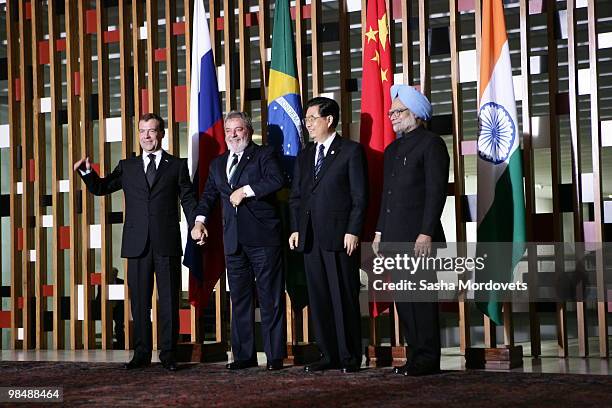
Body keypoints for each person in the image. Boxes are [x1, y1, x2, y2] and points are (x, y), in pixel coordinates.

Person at [74, 112, 197, 371]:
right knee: (139, 303)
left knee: (169, 301)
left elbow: (187, 199)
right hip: (136, 244)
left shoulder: (176, 166)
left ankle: (168, 355)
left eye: (152, 131)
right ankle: (141, 353)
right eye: (142, 131)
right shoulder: (127, 166)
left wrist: (198, 223)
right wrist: (86, 171)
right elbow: (101, 187)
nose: (147, 136)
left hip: (166, 243)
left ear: (161, 134)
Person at [191, 111, 287, 371]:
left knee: (270, 299)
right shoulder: (217, 163)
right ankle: (244, 356)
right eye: (229, 130)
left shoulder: (264, 154)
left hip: (263, 239)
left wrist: (245, 191)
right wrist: (199, 221)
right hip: (232, 242)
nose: (233, 135)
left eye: (238, 129)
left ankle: (274, 356)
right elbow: (209, 196)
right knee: (240, 299)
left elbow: (277, 180)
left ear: (249, 130)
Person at [373, 84, 449, 376]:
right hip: (393, 235)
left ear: (416, 113)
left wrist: (426, 231)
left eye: (397, 111)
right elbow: (387, 195)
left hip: (419, 236)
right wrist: (380, 231)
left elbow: (436, 192)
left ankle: (428, 359)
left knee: (421, 301)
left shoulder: (431, 144)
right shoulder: (393, 150)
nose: (391, 116)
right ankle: (415, 355)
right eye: (391, 111)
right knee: (405, 302)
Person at [288, 97, 368, 373]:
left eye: (312, 118)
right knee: (319, 298)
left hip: (339, 237)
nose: (307, 124)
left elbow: (360, 197)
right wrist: (296, 227)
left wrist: (353, 230)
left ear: (329, 120)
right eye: (306, 119)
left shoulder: (350, 151)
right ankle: (328, 354)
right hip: (310, 238)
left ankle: (349, 356)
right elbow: (297, 196)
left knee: (342, 297)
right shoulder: (306, 154)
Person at [92, 267, 125, 350]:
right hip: (107, 307)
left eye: (115, 273)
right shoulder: (103, 283)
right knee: (107, 325)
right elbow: (99, 296)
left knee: (119, 326)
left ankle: (121, 345)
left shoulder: (122, 282)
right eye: (113, 273)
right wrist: (96, 306)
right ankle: (107, 345)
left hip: (118, 308)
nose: (114, 275)